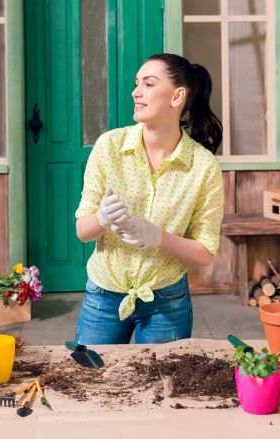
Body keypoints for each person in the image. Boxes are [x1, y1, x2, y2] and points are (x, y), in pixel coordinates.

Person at [73, 53, 224, 344]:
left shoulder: (203, 167)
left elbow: (205, 253)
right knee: (91, 382)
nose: (136, 91)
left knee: (161, 388)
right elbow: (83, 231)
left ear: (177, 96)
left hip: (167, 301)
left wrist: (158, 237)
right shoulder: (109, 147)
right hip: (103, 296)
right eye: (136, 83)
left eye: (149, 84)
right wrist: (103, 218)